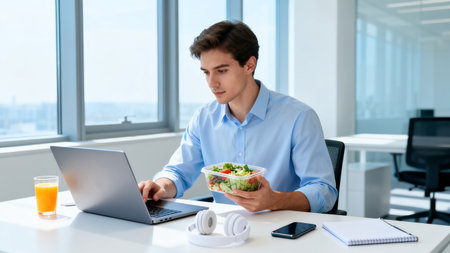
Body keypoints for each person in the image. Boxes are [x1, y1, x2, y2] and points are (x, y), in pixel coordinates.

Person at [138, 20, 337, 213]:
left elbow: (324, 190)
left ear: (249, 65)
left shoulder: (299, 117)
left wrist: (275, 200)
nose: (212, 83)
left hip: (281, 233)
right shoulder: (203, 118)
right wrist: (161, 186)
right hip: (222, 233)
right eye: (206, 72)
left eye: (221, 71)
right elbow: (178, 173)